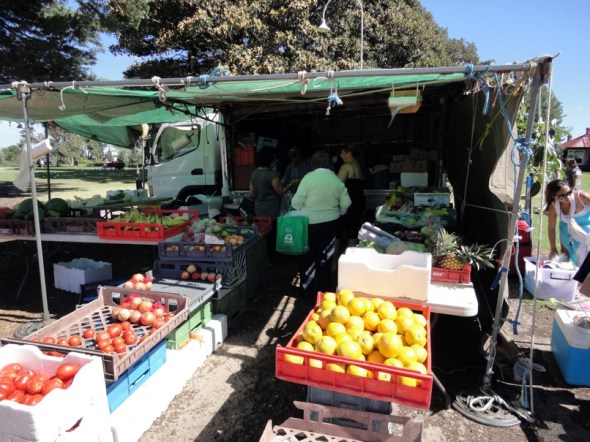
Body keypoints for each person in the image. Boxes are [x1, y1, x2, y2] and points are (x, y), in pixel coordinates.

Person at [291, 150, 351, 294]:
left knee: (307, 256)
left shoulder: (308, 178)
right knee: (326, 255)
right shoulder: (336, 179)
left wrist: (303, 208)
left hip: (309, 224)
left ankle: (307, 290)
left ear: (313, 163)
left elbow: (296, 203)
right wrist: (340, 212)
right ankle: (324, 289)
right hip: (331, 224)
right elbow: (346, 202)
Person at [545, 179, 590, 266]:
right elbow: (551, 228)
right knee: (566, 259)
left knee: (586, 261)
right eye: (562, 196)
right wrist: (553, 248)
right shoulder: (554, 206)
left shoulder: (582, 197)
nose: (568, 197)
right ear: (554, 197)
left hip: (586, 232)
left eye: (569, 192)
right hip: (566, 233)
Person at [249, 147, 283, 261]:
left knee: (263, 233)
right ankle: (273, 258)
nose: (276, 160)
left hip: (259, 208)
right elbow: (280, 191)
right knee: (273, 234)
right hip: (272, 209)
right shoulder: (272, 174)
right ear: (269, 159)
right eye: (274, 158)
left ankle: (265, 257)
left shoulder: (254, 174)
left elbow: (252, 193)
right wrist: (289, 185)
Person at [337, 145, 367, 246]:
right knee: (353, 233)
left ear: (349, 153)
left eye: (343, 153)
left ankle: (335, 256)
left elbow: (337, 186)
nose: (341, 155)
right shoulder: (359, 165)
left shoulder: (346, 166)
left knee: (338, 233)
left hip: (348, 203)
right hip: (359, 201)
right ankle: (352, 254)